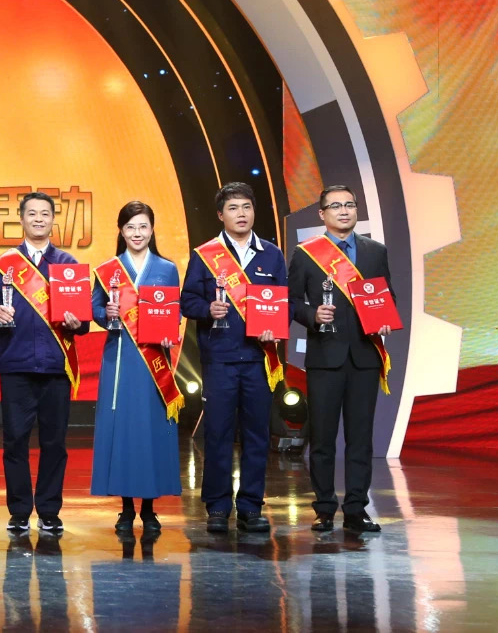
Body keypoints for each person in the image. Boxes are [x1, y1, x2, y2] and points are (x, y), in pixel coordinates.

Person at [181, 182, 285, 534]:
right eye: (233, 208)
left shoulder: (272, 254)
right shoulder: (205, 255)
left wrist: (276, 328)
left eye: (246, 207)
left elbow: (283, 303)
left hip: (258, 358)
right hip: (220, 359)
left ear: (254, 211)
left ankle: (251, 506)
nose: (241, 214)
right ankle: (217, 506)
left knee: (257, 435)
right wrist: (207, 309)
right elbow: (187, 301)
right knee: (218, 433)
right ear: (220, 215)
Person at [289, 184, 393, 534]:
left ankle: (356, 510)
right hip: (325, 358)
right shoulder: (306, 254)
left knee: (360, 439)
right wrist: (312, 315)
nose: (344, 211)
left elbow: (386, 295)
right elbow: (291, 301)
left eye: (349, 204)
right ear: (322, 214)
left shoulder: (375, 251)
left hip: (364, 357)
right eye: (335, 206)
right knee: (322, 439)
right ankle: (324, 509)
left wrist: (385, 318)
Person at [0, 192, 89, 534]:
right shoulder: (5, 264)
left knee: (54, 443)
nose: (39, 219)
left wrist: (77, 322)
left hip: (56, 367)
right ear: (22, 219)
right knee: (15, 441)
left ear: (53, 219)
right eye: (32, 214)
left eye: (45, 213)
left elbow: (84, 323)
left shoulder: (68, 264)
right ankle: (18, 511)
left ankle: (49, 511)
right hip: (16, 366)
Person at [91, 201, 182, 533]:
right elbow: (94, 308)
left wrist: (171, 331)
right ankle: (127, 508)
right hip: (119, 357)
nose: (137, 233)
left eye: (143, 226)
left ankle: (150, 508)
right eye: (130, 227)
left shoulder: (167, 268)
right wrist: (106, 314)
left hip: (153, 359)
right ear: (121, 231)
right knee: (123, 429)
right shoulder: (108, 270)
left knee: (151, 429)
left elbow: (175, 310)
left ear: (152, 229)